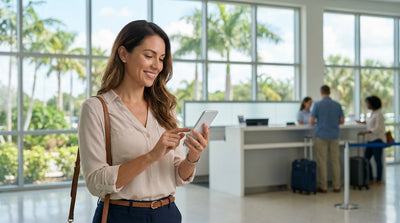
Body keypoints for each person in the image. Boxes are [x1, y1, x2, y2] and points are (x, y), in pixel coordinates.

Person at [78, 20, 210, 223]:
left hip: (168, 214)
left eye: (161, 58)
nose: (157, 65)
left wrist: (193, 156)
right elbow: (95, 182)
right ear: (123, 54)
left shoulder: (165, 107)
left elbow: (178, 176)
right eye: (149, 56)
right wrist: (151, 155)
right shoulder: (96, 108)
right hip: (120, 216)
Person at [310, 85, 344, 193]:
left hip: (322, 135)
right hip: (334, 135)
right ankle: (337, 186)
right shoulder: (337, 105)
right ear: (329, 92)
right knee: (335, 161)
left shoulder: (317, 104)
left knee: (322, 161)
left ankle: (323, 186)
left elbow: (311, 121)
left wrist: (320, 122)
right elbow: (342, 120)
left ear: (321, 93)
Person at [357, 96, 385, 186]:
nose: (367, 105)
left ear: (373, 104)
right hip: (370, 140)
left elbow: (378, 128)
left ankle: (379, 180)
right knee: (366, 159)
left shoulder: (379, 114)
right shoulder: (373, 113)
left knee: (377, 161)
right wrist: (362, 123)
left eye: (368, 103)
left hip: (377, 140)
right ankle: (371, 178)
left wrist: (365, 132)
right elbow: (370, 123)